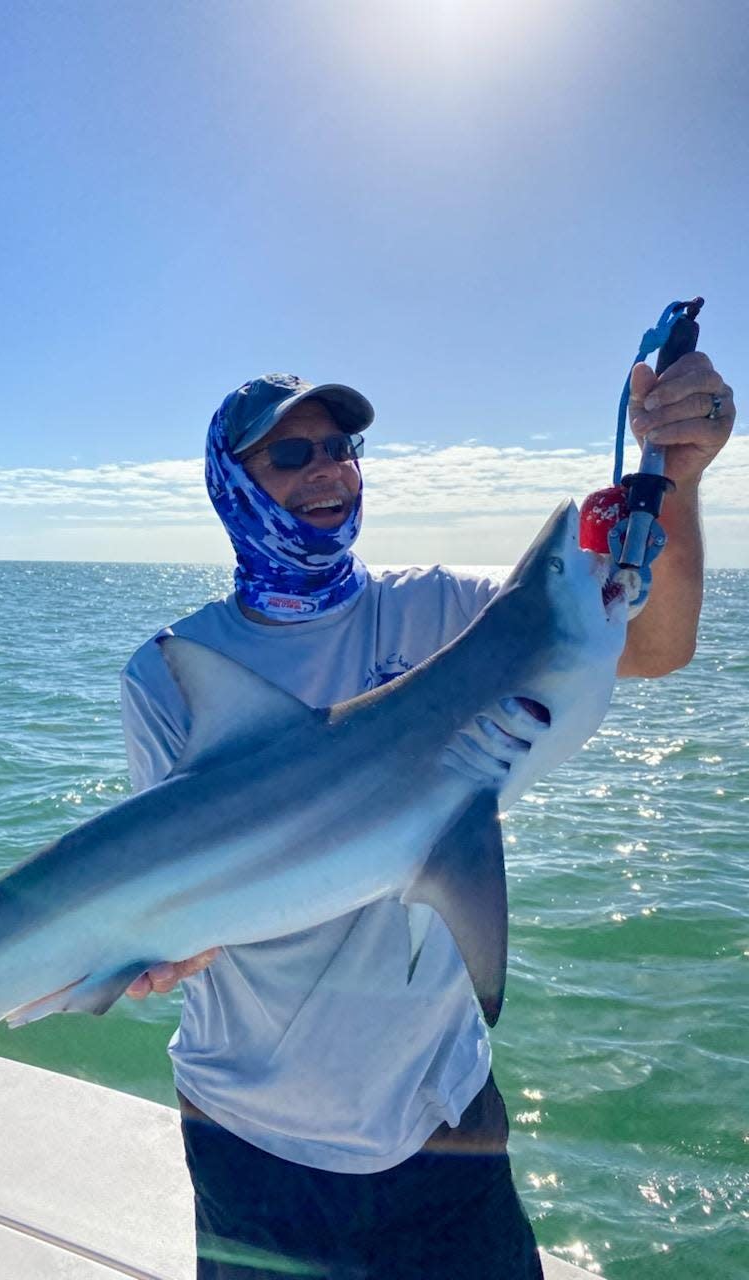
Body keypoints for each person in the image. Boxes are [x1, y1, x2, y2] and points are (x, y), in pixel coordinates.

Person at [119, 361, 734, 1279]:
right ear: (231, 482)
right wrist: (153, 947)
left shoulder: (441, 607)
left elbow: (648, 646)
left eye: (342, 449)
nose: (329, 470)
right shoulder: (173, 668)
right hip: (252, 1129)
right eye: (292, 454)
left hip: (441, 1116)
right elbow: (164, 877)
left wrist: (676, 480)